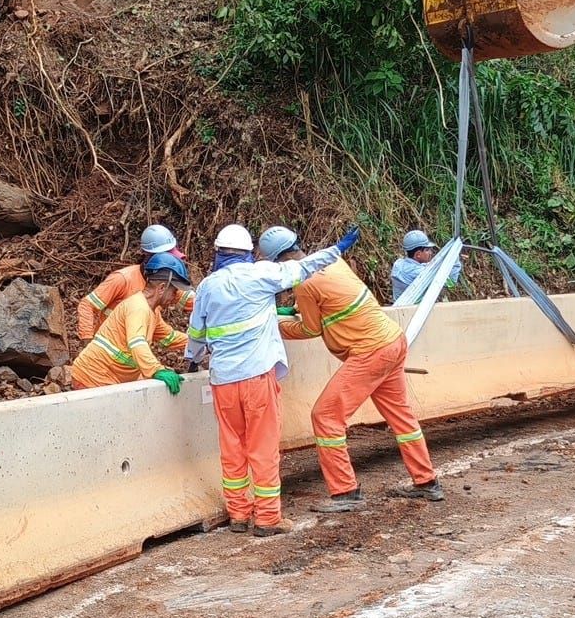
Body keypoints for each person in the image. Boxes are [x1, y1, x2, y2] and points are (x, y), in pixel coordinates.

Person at [185, 222, 360, 537]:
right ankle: (267, 519)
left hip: (223, 380)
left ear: (218, 253)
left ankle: (238, 514)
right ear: (248, 253)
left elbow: (196, 334)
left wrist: (191, 359)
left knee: (232, 447)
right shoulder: (261, 275)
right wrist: (338, 249)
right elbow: (304, 267)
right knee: (262, 448)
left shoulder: (208, 287)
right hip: (257, 377)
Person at [261, 225, 442, 512]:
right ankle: (426, 481)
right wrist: (292, 311)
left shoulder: (305, 283)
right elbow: (332, 304)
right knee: (401, 417)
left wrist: (274, 323)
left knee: (325, 416)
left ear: (279, 262)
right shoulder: (330, 260)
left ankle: (344, 491)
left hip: (369, 352)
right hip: (392, 341)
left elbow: (310, 328)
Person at [69, 253, 189, 394]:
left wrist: (203, 342)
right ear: (162, 288)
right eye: (174, 291)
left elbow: (170, 338)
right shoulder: (138, 307)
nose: (175, 297)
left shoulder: (152, 311)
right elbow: (137, 343)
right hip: (93, 377)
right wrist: (156, 369)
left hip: (108, 378)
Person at [77, 224, 195, 341]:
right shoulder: (123, 279)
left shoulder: (165, 287)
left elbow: (193, 302)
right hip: (106, 349)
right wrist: (87, 340)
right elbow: (87, 305)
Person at [390, 229, 461, 304]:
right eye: (427, 250)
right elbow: (451, 282)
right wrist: (454, 256)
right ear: (418, 254)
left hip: (399, 309)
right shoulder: (420, 273)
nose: (431, 252)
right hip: (415, 312)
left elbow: (421, 267)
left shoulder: (398, 264)